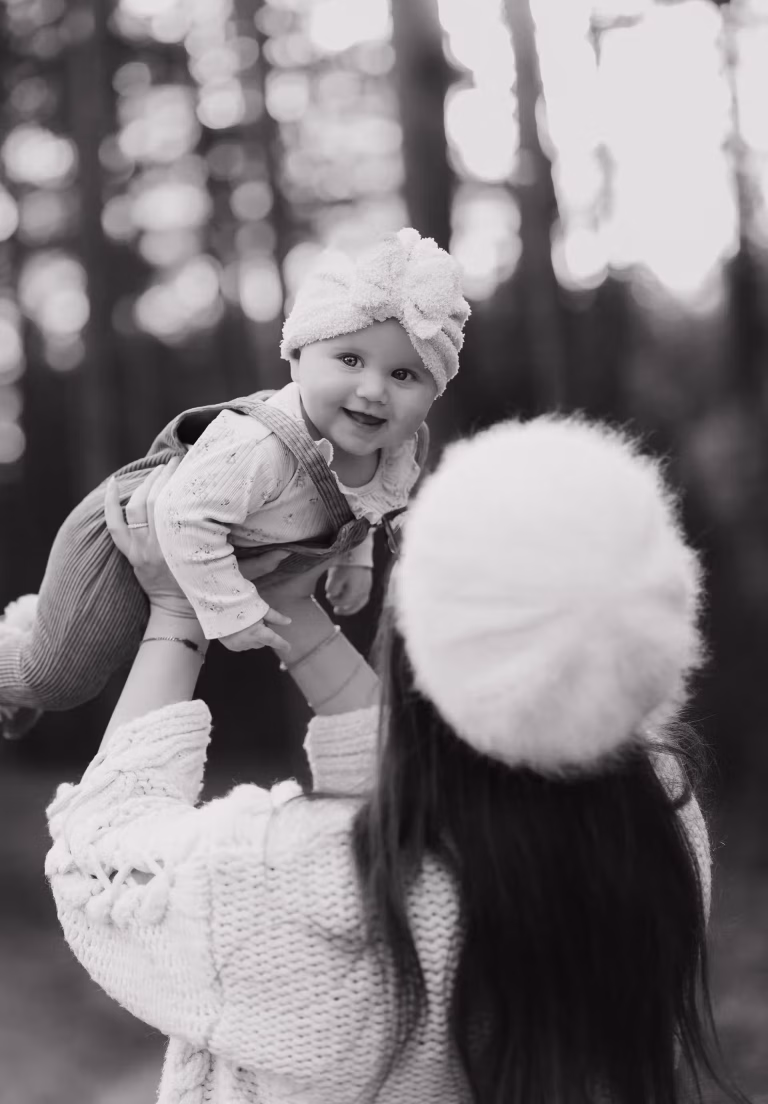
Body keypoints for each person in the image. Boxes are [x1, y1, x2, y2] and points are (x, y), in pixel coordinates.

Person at [46, 415, 740, 1104]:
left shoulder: (305, 886)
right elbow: (455, 789)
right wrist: (296, 612)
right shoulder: (659, 820)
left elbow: (95, 857)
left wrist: (176, 610)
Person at [0, 226, 469, 739]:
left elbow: (369, 505)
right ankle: (21, 657)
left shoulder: (402, 450)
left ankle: (34, 632)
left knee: (75, 663)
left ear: (436, 389)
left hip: (208, 548)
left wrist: (355, 559)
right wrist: (233, 611)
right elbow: (183, 514)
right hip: (132, 532)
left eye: (405, 375)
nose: (374, 390)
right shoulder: (260, 447)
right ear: (296, 358)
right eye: (350, 360)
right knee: (57, 682)